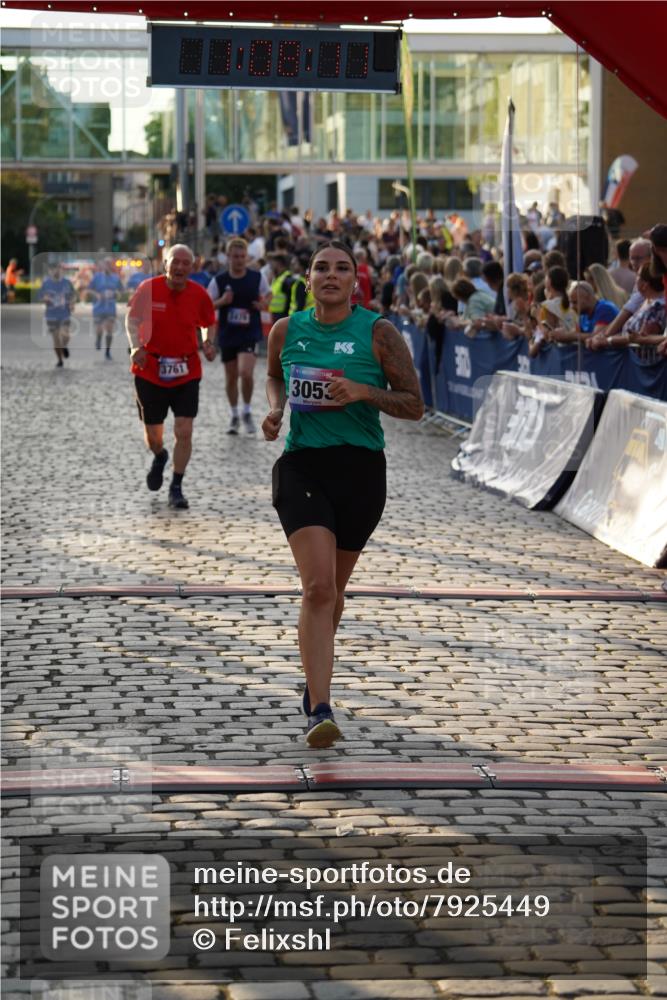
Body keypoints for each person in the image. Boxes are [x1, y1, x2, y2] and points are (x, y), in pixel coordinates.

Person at [261, 241, 424, 749]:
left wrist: (363, 392)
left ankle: (314, 674)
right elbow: (273, 375)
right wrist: (275, 408)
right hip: (301, 466)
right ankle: (321, 709)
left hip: (359, 473)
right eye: (320, 268)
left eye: (342, 269)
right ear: (307, 279)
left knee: (334, 591)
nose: (330, 275)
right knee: (318, 589)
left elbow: (415, 404)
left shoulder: (379, 334)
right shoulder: (287, 331)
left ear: (356, 280)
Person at [125, 243, 217, 509]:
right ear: (165, 264)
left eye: (185, 263)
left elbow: (208, 322)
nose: (179, 267)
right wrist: (135, 346)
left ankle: (176, 486)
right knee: (154, 434)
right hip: (150, 369)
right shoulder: (148, 289)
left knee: (184, 430)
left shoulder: (199, 294)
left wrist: (208, 341)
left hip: (187, 370)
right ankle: (160, 455)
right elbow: (131, 320)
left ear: (192, 267)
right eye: (175, 262)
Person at [207, 237, 270, 435]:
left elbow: (268, 294)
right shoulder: (219, 280)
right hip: (228, 333)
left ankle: (247, 410)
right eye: (235, 256)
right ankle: (234, 414)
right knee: (231, 377)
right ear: (228, 257)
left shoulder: (256, 277)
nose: (239, 260)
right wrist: (222, 302)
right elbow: (206, 305)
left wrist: (263, 304)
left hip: (249, 332)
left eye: (242, 256)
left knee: (246, 373)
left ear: (247, 257)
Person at [40, 262, 75, 367]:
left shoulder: (67, 282)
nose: (56, 271)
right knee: (55, 338)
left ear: (61, 270)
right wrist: (45, 299)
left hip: (64, 313)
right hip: (51, 314)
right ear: (50, 271)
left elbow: (73, 295)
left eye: (58, 269)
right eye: (54, 269)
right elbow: (41, 296)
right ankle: (60, 360)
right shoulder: (46, 283)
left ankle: (64, 346)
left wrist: (72, 304)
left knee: (66, 335)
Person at [88, 257, 123, 359]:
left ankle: (107, 351)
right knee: (99, 329)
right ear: (103, 266)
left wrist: (115, 293)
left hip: (110, 308)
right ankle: (98, 339)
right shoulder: (96, 277)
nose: (107, 266)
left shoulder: (116, 278)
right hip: (98, 307)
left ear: (111, 266)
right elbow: (89, 290)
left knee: (109, 330)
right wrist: (97, 294)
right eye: (106, 264)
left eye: (109, 264)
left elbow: (121, 291)